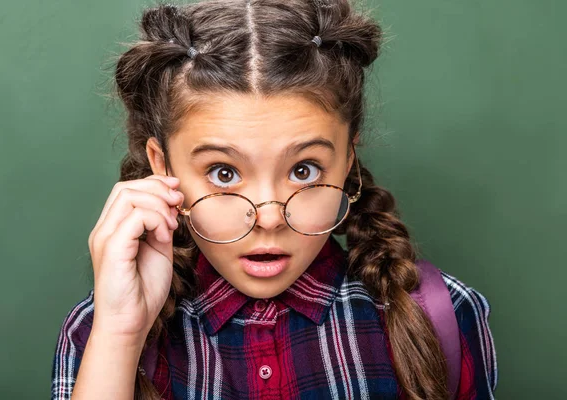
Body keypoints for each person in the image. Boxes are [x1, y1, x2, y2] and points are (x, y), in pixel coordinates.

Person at [51, 1, 498, 399]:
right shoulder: (99, 332)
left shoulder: (444, 315)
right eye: (223, 173)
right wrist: (120, 334)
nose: (268, 218)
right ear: (163, 167)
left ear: (347, 162)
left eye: (304, 171)